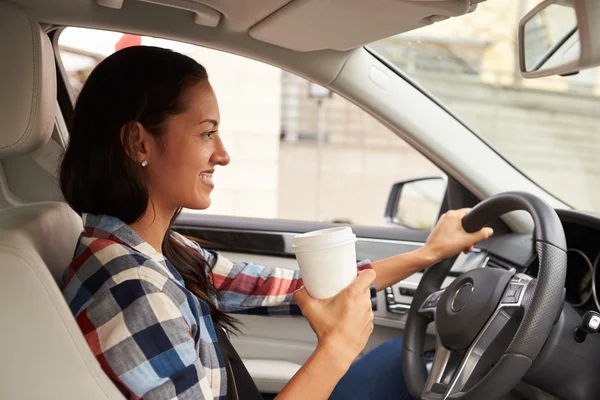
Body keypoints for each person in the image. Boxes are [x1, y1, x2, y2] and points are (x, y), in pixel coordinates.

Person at [60, 46, 493, 400]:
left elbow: (305, 289)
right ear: (139, 142)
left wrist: (428, 253)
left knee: (399, 365)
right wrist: (336, 349)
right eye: (207, 133)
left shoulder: (164, 254)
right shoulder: (133, 291)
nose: (223, 154)